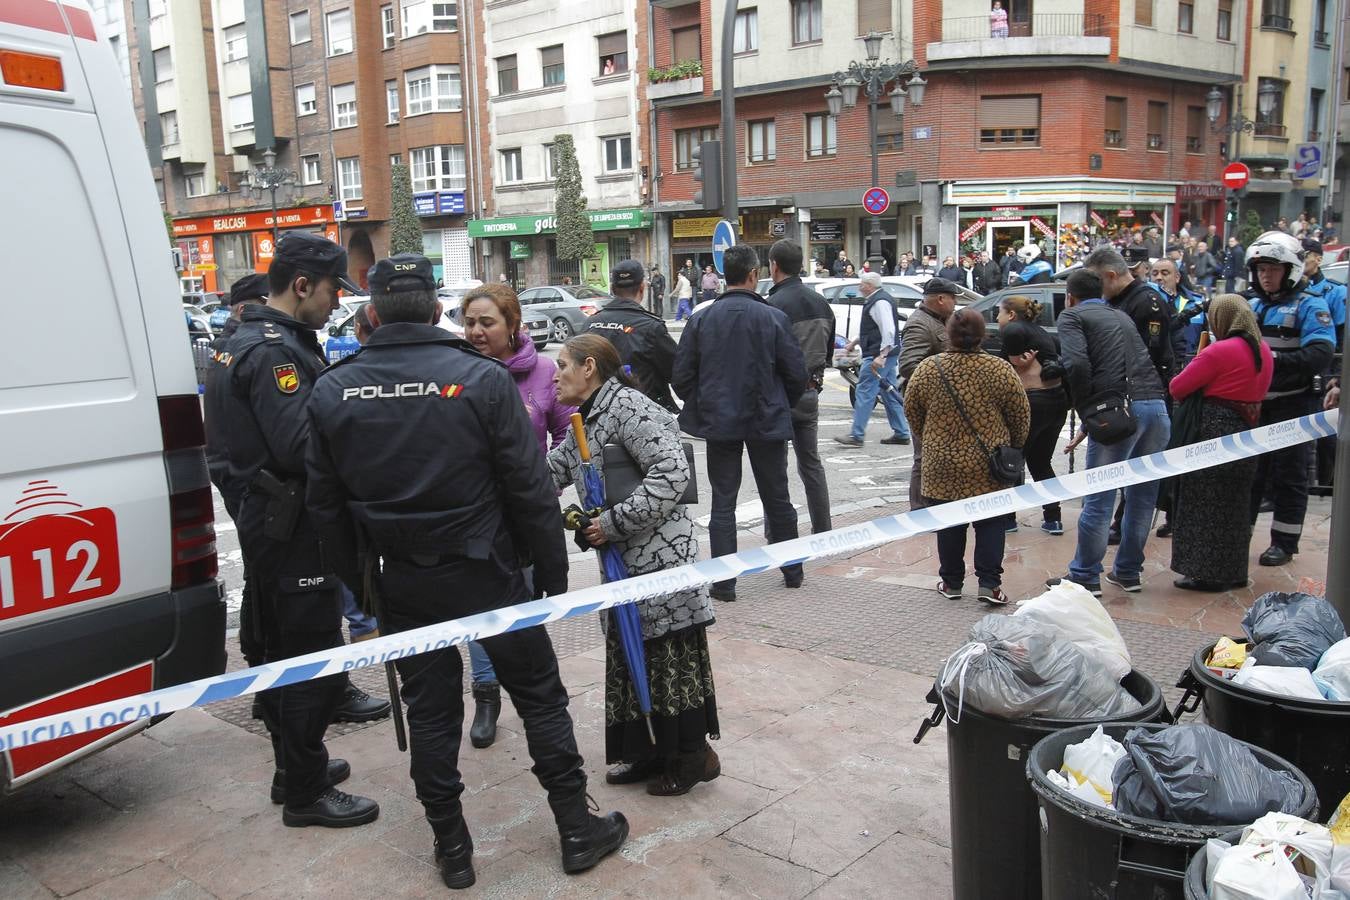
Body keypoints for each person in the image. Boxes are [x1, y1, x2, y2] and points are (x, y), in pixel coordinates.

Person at [304, 254, 627, 890]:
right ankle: (574, 829)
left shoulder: (334, 388)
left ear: (372, 313)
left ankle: (453, 850)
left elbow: (325, 509)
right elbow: (528, 487)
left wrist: (363, 583)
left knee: (430, 716)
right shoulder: (478, 379)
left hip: (401, 579)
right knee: (539, 699)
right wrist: (549, 571)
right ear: (434, 310)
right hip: (489, 573)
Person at [205, 232, 379, 826]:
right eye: (333, 290)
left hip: (265, 523)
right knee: (306, 656)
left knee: (278, 648)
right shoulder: (275, 352)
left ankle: (293, 768)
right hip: (291, 526)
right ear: (303, 285)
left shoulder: (243, 339)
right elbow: (300, 444)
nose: (337, 303)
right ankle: (305, 791)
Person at [548, 334, 719, 796]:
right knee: (631, 654)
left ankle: (690, 758)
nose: (555, 375)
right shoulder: (584, 417)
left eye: (561, 365)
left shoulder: (631, 409)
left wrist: (613, 523)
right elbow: (555, 469)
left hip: (659, 564)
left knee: (667, 657)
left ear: (588, 367)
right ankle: (645, 752)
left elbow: (672, 475)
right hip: (623, 564)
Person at [455, 283, 575, 750]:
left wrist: (543, 484)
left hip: (525, 518)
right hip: (474, 519)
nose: (477, 332)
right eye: (470, 323)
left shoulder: (544, 372)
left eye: (488, 322)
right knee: (478, 609)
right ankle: (485, 696)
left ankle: (536, 697)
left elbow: (568, 434)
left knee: (524, 606)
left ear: (513, 325)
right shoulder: (459, 371)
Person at [672, 244, 806, 602]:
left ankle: (725, 583)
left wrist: (704, 402)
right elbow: (796, 374)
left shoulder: (702, 318)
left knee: (723, 502)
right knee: (777, 497)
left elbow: (682, 376)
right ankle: (792, 571)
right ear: (753, 275)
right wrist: (780, 403)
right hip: (766, 418)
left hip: (720, 421)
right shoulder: (773, 317)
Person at [1050, 269, 1171, 596]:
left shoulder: (1072, 316)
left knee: (1100, 497)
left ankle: (1085, 575)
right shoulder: (1121, 315)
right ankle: (1128, 572)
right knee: (1143, 497)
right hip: (1156, 408)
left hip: (1118, 410)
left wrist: (1086, 407)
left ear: (1070, 295)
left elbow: (1076, 364)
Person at [904, 309, 1029, 605]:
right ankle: (989, 584)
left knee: (949, 524)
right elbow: (1020, 416)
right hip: (988, 464)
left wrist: (931, 437)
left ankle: (951, 582)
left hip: (941, 461)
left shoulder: (928, 369)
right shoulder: (999, 369)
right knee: (990, 523)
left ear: (948, 334)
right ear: (982, 334)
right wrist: (1011, 446)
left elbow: (912, 411)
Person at [1168, 295, 1274, 591]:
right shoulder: (1263, 349)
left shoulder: (1219, 351)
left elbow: (1178, 387)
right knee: (1235, 507)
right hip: (1248, 433)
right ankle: (1234, 571)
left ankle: (1206, 573)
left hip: (1212, 432)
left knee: (1204, 503)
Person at [1244, 231, 1336, 565]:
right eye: (1261, 269)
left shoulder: (1310, 306)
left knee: (1290, 476)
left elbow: (1320, 354)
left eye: (1273, 268)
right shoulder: (1250, 306)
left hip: (1294, 405)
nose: (1265, 275)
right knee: (1250, 476)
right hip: (1255, 406)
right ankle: (1239, 536)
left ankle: (1284, 542)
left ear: (1291, 269)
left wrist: (1274, 362)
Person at [766, 239, 836, 534]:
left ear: (774, 266)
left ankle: (777, 531)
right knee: (811, 465)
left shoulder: (772, 306)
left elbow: (765, 356)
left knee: (775, 470)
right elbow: (828, 352)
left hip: (779, 395)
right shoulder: (820, 302)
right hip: (809, 392)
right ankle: (823, 529)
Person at [997, 296, 1068, 534]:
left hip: (1033, 400)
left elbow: (1014, 365)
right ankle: (1053, 518)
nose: (997, 318)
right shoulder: (1038, 330)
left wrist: (1017, 365)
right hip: (1056, 401)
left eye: (1000, 312)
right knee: (1040, 461)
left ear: (1011, 315)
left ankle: (1007, 519)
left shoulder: (1013, 330)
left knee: (1014, 460)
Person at [586, 259, 679, 412]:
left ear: (612, 288)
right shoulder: (651, 327)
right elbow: (677, 372)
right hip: (643, 415)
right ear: (642, 288)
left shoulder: (590, 323)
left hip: (598, 414)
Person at [898, 278, 958, 508]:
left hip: (943, 402)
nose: (955, 303)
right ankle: (920, 509)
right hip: (927, 403)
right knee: (924, 456)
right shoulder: (920, 324)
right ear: (941, 299)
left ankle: (939, 502)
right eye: (953, 298)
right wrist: (941, 382)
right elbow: (908, 366)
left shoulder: (943, 320)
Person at [834, 272, 911, 448]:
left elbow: (888, 331)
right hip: (885, 354)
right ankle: (901, 432)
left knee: (864, 390)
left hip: (878, 355)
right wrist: (854, 342)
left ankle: (857, 434)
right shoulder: (878, 299)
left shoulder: (879, 302)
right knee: (888, 391)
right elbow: (875, 329)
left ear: (869, 285)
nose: (860, 287)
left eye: (862, 284)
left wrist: (881, 356)